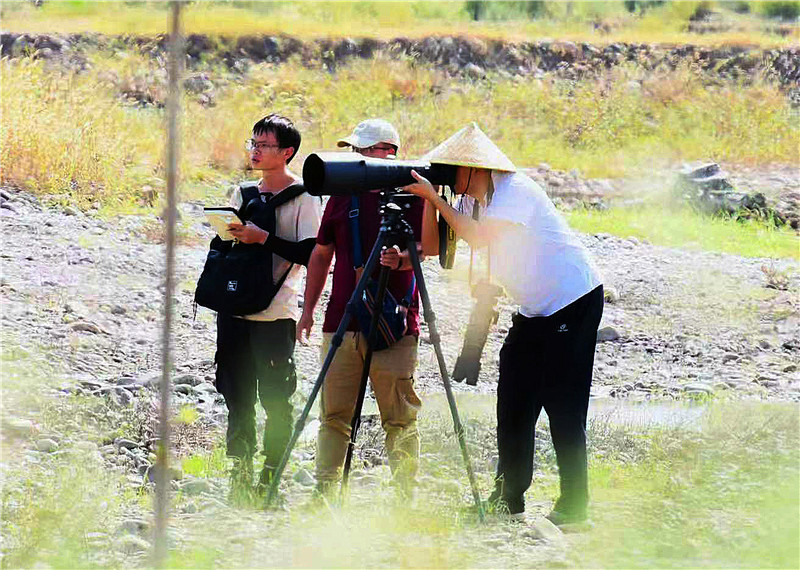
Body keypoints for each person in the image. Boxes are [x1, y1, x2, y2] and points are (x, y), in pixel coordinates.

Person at [404, 123, 604, 526]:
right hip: (533, 311)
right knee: (513, 398)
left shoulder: (517, 193)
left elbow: (477, 239)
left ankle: (575, 505)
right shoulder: (475, 202)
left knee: (563, 405)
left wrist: (436, 198)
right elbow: (429, 246)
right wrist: (429, 199)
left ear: (474, 168)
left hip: (573, 301)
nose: (446, 177)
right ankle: (508, 497)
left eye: (450, 169)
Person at [297, 119, 432, 498]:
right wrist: (308, 310)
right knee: (334, 416)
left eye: (361, 151)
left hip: (397, 326)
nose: (353, 159)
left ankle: (406, 496)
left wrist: (402, 260)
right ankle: (325, 493)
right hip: (343, 318)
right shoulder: (342, 195)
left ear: (387, 152)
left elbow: (426, 250)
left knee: (400, 418)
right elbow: (321, 253)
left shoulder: (417, 196)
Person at [216, 114, 322, 503]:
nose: (255, 151)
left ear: (287, 152)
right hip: (235, 308)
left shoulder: (305, 197)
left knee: (277, 399)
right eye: (253, 143)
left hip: (276, 313)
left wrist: (264, 239)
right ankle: (239, 472)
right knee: (236, 393)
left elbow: (311, 253)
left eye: (264, 145)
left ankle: (271, 474)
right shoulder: (242, 193)